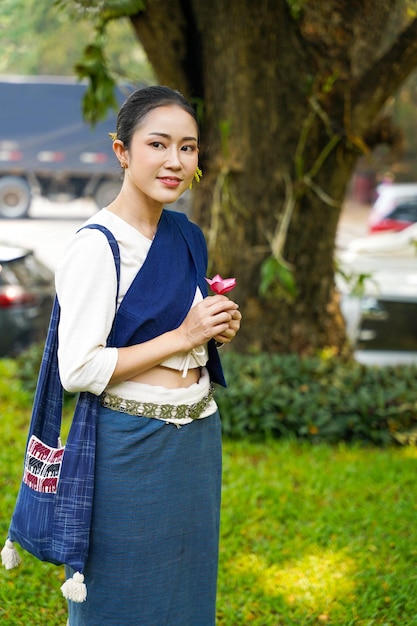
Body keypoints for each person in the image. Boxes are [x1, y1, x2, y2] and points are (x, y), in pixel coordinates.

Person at [57, 85, 241, 625]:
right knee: (117, 597)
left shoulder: (187, 235)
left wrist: (213, 329)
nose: (175, 161)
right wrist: (185, 335)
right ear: (122, 152)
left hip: (196, 441)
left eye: (188, 148)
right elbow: (80, 369)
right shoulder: (97, 245)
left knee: (185, 595)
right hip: (129, 449)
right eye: (158, 144)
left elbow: (179, 334)